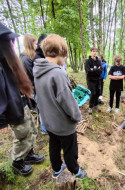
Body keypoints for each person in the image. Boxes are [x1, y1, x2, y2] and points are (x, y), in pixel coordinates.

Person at [33, 34, 87, 179]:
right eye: (65, 56)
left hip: (49, 122)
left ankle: (56, 168)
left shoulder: (37, 70)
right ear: (60, 52)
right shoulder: (58, 73)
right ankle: (75, 170)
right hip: (63, 125)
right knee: (70, 149)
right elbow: (67, 101)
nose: (64, 59)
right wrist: (76, 116)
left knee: (54, 146)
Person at [0, 22, 44, 176]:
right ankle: (17, 162)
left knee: (31, 129)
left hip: (22, 103)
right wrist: (2, 121)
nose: (13, 44)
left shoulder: (9, 60)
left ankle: (28, 154)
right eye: (9, 41)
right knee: (21, 135)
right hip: (12, 108)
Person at [33, 34, 48, 134]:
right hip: (38, 89)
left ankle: (46, 127)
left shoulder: (42, 56)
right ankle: (44, 129)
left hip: (42, 88)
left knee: (45, 109)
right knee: (42, 109)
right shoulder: (38, 58)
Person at [85, 47, 102, 114]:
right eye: (93, 51)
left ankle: (96, 105)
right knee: (93, 93)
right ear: (90, 52)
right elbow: (88, 71)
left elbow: (100, 71)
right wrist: (96, 70)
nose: (95, 52)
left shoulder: (98, 61)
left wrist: (93, 70)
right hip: (91, 80)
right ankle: (90, 107)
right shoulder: (88, 61)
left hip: (98, 80)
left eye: (96, 51)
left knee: (98, 93)